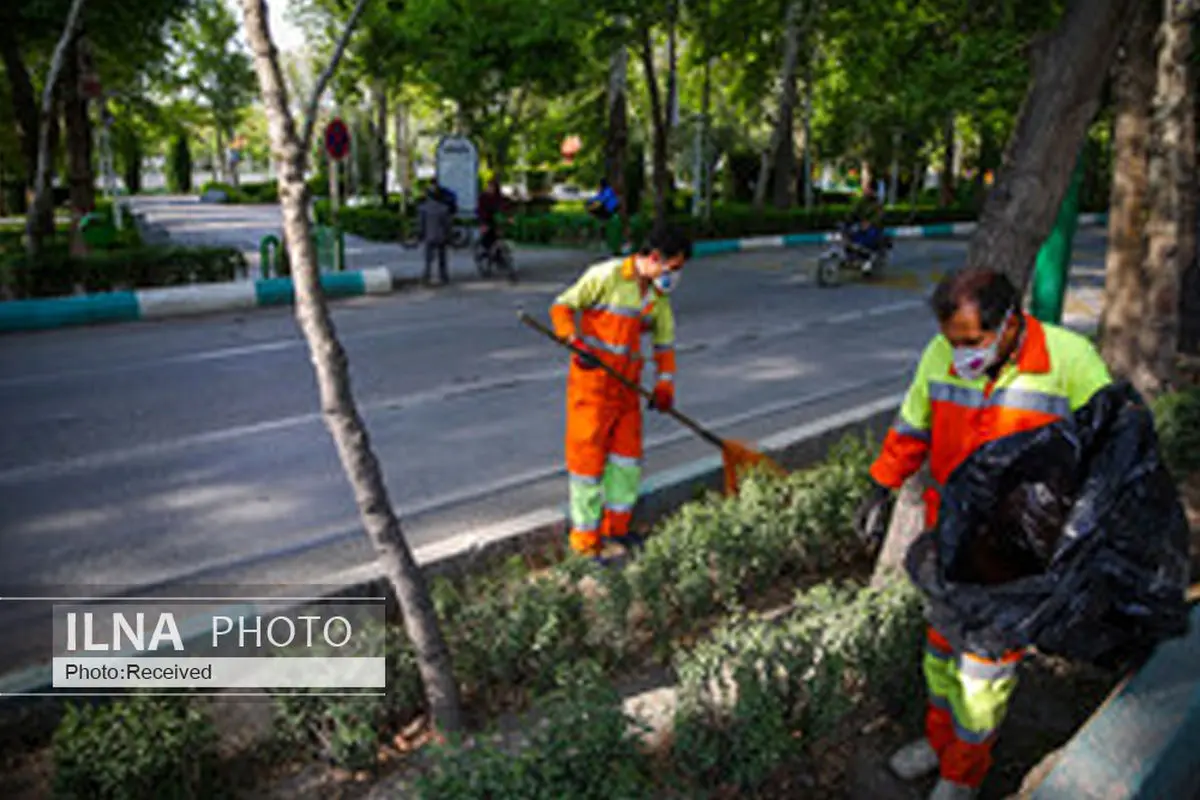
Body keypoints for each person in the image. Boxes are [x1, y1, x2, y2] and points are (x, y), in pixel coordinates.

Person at [853, 267, 1112, 800]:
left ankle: (962, 775)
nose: (959, 353)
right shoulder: (939, 354)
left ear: (1011, 324)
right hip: (948, 538)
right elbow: (911, 427)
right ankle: (940, 743)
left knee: (984, 673)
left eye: (972, 342)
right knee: (941, 652)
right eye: (952, 341)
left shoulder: (1069, 361)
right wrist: (879, 486)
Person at [549, 226, 693, 559]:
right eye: (674, 268)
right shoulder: (607, 275)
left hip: (627, 392)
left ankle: (617, 529)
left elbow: (664, 343)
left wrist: (665, 383)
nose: (675, 276)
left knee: (626, 463)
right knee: (587, 468)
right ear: (655, 258)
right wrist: (574, 341)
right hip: (593, 388)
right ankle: (585, 545)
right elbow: (561, 307)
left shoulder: (657, 297)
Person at [418, 183, 453, 286]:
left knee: (428, 258)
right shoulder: (444, 208)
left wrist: (421, 234)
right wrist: (449, 235)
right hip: (441, 236)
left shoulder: (423, 208)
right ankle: (443, 276)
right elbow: (447, 224)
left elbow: (421, 223)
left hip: (429, 236)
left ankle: (427, 276)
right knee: (442, 258)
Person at [476, 178, 512, 255]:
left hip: (496, 219)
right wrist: (483, 223)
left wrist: (509, 217)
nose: (490, 188)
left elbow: (505, 207)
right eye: (489, 186)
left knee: (499, 235)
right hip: (486, 218)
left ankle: (499, 254)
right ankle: (486, 251)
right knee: (487, 236)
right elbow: (480, 210)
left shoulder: (499, 197)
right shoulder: (483, 197)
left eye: (492, 187)